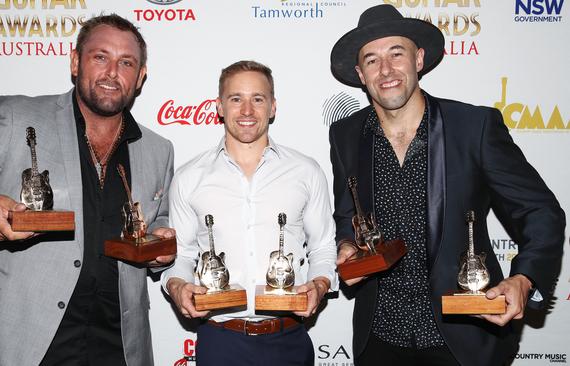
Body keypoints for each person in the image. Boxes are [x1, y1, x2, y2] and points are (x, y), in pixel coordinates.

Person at [0, 14, 175, 366]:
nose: (112, 73)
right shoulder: (16, 115)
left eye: (126, 62)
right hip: (30, 338)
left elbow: (155, 221)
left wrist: (160, 247)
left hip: (120, 345)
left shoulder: (158, 149)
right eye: (100, 57)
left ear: (140, 76)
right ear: (75, 61)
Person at [328, 4, 565, 366]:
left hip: (463, 337)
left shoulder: (474, 127)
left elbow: (540, 212)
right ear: (361, 73)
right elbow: (348, 210)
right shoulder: (345, 134)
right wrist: (347, 243)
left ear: (419, 59)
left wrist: (524, 278)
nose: (386, 70)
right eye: (372, 60)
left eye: (397, 53)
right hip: (379, 338)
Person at [162, 60, 337, 365]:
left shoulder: (306, 171)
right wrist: (177, 287)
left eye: (257, 99)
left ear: (272, 107)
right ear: (218, 106)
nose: (246, 110)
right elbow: (181, 255)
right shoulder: (190, 177)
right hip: (220, 342)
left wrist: (319, 285)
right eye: (235, 99)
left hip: (289, 340)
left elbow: (323, 246)